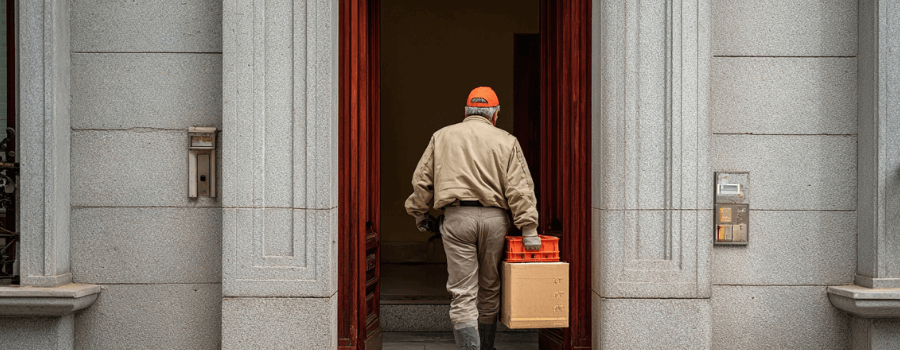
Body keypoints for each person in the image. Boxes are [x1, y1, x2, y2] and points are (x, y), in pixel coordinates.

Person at [405, 86, 541, 350]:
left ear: (466, 112)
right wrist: (529, 228)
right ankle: (486, 347)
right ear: (495, 114)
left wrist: (420, 213)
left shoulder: (441, 136)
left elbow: (422, 180)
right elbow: (520, 188)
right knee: (490, 287)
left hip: (457, 219)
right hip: (495, 220)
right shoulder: (507, 140)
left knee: (463, 291)